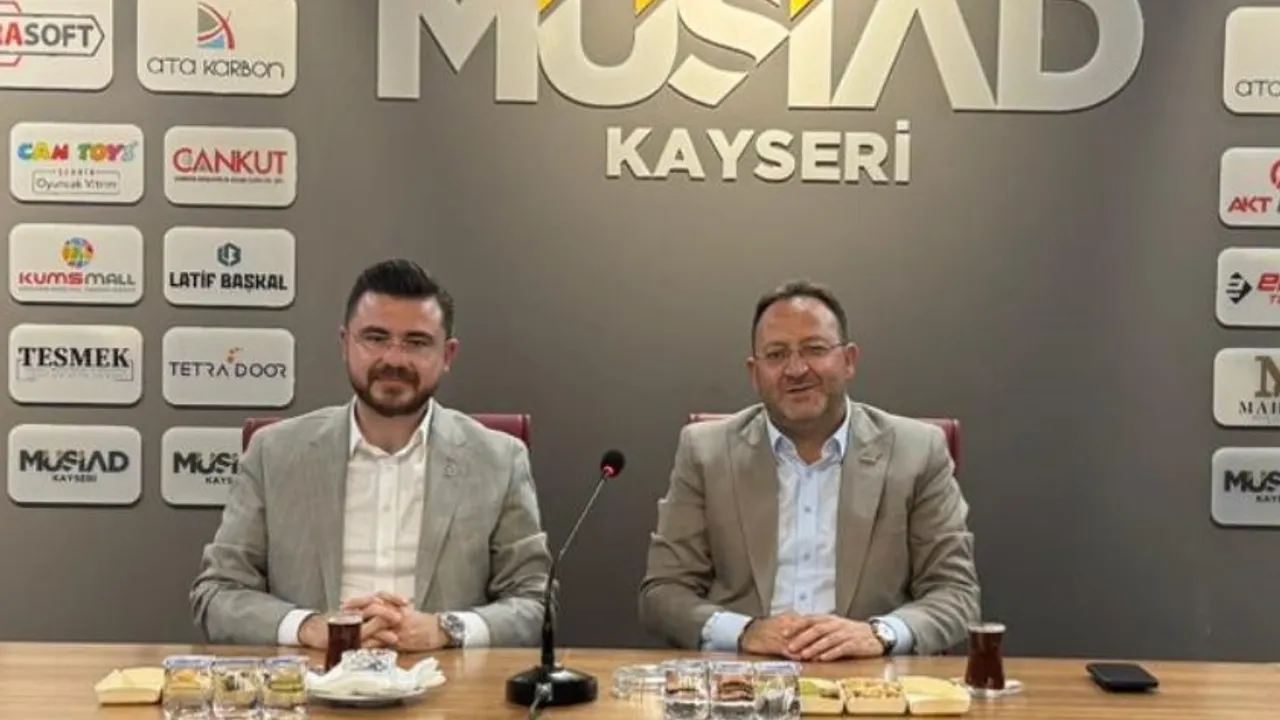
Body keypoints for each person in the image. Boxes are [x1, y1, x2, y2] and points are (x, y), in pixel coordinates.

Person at [191, 259, 551, 651]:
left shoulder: (499, 460)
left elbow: (535, 603)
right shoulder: (274, 453)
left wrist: (445, 629)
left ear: (447, 355)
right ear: (345, 344)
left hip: (444, 683)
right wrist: (309, 628)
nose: (394, 359)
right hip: (312, 680)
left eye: (416, 342)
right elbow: (219, 593)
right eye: (376, 338)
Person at [638, 279, 979, 661]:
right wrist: (745, 632)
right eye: (776, 354)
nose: (796, 369)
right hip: (744, 677)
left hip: (870, 676)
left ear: (848, 360)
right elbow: (663, 594)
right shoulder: (706, 452)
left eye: (815, 349)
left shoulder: (917, 450)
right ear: (755, 373)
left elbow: (956, 593)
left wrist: (878, 633)